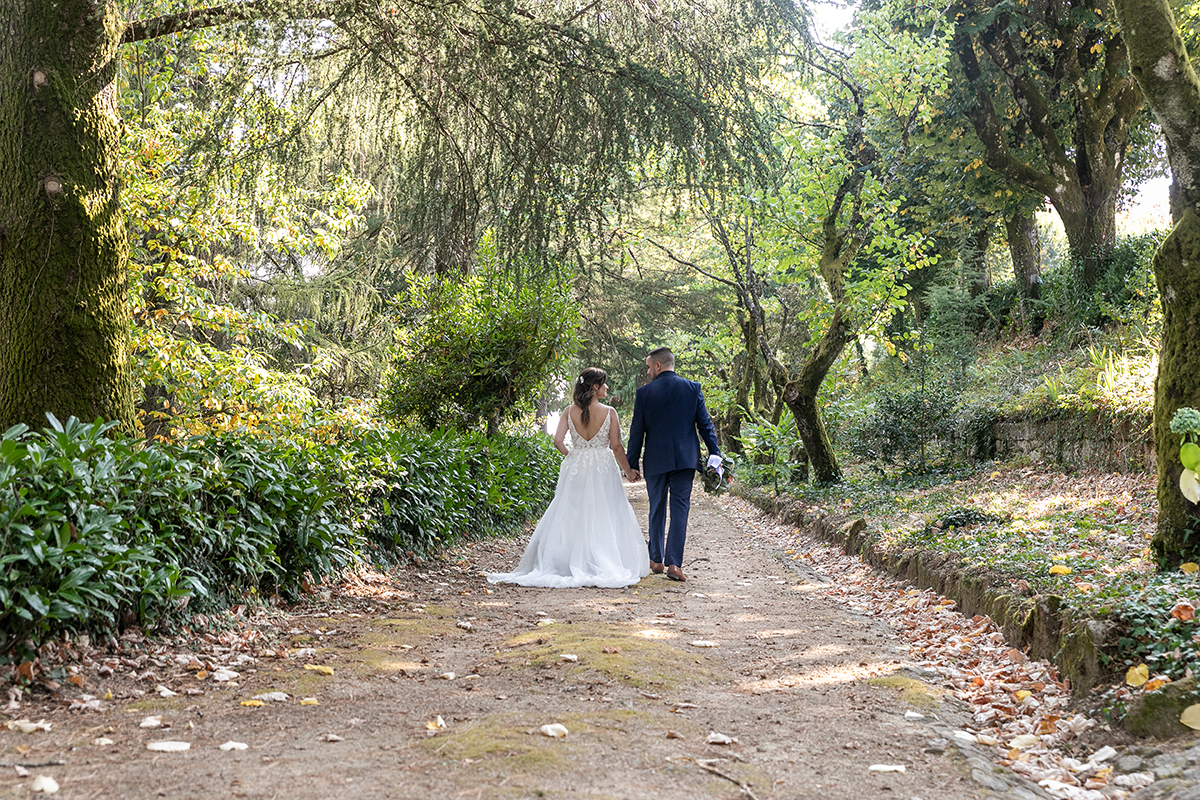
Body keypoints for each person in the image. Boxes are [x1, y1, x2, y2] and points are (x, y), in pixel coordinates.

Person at [487, 367, 650, 588]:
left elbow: (557, 441)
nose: (607, 387)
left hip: (577, 465)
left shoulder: (568, 411)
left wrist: (574, 456)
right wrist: (628, 471)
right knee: (604, 510)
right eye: (604, 383)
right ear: (595, 387)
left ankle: (568, 559)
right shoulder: (609, 412)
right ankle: (601, 558)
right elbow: (616, 446)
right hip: (602, 466)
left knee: (573, 510)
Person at [625, 347, 721, 582]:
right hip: (685, 460)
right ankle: (674, 565)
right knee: (680, 510)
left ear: (658, 365)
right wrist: (715, 455)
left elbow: (637, 431)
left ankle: (655, 560)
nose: (648, 372)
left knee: (656, 508)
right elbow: (705, 425)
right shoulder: (692, 388)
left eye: (649, 367)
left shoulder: (644, 393)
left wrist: (632, 464)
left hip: (656, 460)